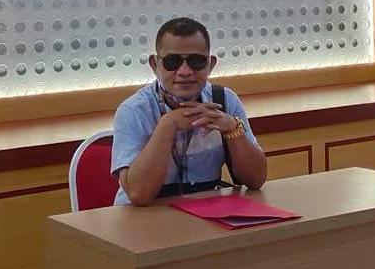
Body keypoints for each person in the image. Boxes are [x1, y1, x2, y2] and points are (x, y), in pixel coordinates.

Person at [111, 17, 267, 206]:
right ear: (154, 65)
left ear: (210, 64)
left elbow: (256, 180)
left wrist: (233, 129)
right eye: (172, 62)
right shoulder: (133, 111)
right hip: (143, 215)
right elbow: (138, 195)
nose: (184, 71)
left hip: (204, 210)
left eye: (196, 61)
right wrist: (167, 125)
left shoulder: (224, 101)